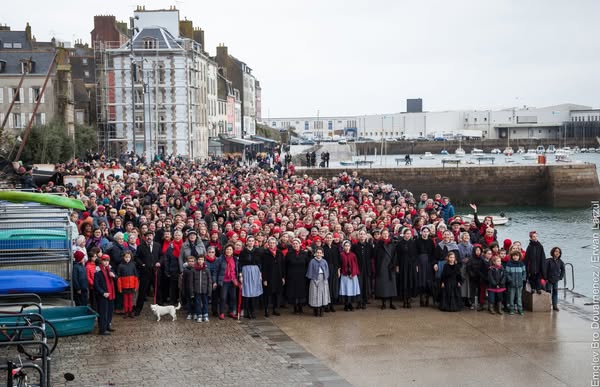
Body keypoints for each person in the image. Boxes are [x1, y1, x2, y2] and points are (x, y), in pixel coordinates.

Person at [134, 231, 161, 316]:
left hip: (155, 271)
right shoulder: (140, 246)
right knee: (142, 291)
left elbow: (162, 256)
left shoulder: (157, 245)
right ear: (144, 237)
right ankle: (138, 309)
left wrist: (159, 262)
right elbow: (136, 257)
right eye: (147, 236)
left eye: (150, 236)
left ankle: (160, 309)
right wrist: (141, 264)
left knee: (158, 290)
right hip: (145, 272)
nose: (149, 237)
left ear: (153, 236)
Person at [238, 236, 263, 319]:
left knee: (254, 292)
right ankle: (247, 311)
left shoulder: (257, 251)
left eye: (252, 241)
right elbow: (240, 263)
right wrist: (240, 274)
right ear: (247, 242)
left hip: (255, 271)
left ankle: (253, 311)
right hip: (246, 271)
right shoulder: (243, 252)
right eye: (249, 241)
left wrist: (260, 273)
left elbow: (259, 263)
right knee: (247, 291)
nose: (251, 242)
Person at [374, 229, 398, 309]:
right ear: (381, 235)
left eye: (386, 233)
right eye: (383, 234)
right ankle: (383, 303)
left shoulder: (393, 243)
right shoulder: (378, 244)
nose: (385, 235)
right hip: (382, 266)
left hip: (390, 266)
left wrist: (393, 264)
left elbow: (395, 255)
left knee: (391, 285)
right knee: (383, 286)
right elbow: (376, 256)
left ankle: (391, 303)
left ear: (388, 234)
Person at [285, 238, 310, 314]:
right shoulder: (289, 254)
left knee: (301, 292)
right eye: (294, 244)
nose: (295, 245)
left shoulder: (305, 254)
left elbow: (307, 265)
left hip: (302, 276)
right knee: (293, 292)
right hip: (292, 276)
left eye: (297, 243)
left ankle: (301, 307)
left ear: (300, 244)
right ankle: (295, 307)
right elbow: (285, 265)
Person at [261, 237, 285, 317]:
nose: (272, 244)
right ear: (268, 244)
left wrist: (283, 277)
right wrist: (264, 279)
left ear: (276, 244)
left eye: (273, 243)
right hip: (269, 276)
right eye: (270, 243)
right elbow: (263, 267)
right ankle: (266, 309)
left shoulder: (279, 253)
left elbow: (282, 266)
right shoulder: (265, 253)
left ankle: (275, 309)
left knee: (277, 293)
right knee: (268, 294)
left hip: (278, 276)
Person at [94, 254, 116, 335]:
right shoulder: (98, 271)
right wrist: (103, 293)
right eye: (104, 261)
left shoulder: (109, 269)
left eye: (107, 261)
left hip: (111, 294)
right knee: (103, 312)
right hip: (103, 295)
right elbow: (96, 285)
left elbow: (116, 278)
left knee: (110, 311)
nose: (106, 263)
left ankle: (107, 325)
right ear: (101, 261)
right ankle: (102, 329)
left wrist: (114, 276)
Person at [351, 230, 374, 309]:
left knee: (366, 285)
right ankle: (359, 301)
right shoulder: (354, 246)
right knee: (359, 285)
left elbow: (371, 256)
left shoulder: (369, 245)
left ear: (366, 236)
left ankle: (364, 301)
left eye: (363, 234)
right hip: (358, 268)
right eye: (360, 234)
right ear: (358, 236)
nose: (362, 236)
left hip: (367, 268)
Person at [396, 227, 418, 308]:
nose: (408, 235)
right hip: (402, 265)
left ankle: (409, 299)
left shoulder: (413, 243)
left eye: (410, 234)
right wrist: (397, 265)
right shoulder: (399, 243)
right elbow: (397, 256)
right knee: (404, 281)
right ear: (404, 234)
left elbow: (415, 255)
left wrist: (416, 265)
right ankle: (404, 300)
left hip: (411, 265)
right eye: (407, 234)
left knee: (410, 281)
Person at [306, 246, 331, 317]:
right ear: (315, 254)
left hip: (323, 279)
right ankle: (316, 310)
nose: (319, 254)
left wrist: (325, 278)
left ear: (322, 254)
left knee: (323, 294)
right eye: (317, 253)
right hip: (314, 279)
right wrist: (314, 280)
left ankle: (321, 310)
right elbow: (310, 271)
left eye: (320, 253)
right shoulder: (312, 261)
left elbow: (326, 270)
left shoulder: (324, 261)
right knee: (315, 294)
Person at [216, 244, 238, 320]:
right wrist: (216, 281)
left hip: (232, 280)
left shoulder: (235, 259)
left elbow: (236, 270)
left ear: (233, 251)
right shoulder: (220, 259)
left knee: (233, 297)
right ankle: (221, 312)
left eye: (230, 249)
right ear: (225, 250)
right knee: (223, 297)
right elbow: (216, 271)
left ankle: (231, 311)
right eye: (227, 249)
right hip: (224, 281)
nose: (229, 251)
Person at [415, 225, 435, 307]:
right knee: (421, 279)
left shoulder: (431, 241)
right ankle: (421, 298)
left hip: (429, 263)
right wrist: (416, 264)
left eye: (427, 232)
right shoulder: (417, 241)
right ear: (421, 232)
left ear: (429, 233)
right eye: (424, 231)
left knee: (428, 280)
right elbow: (415, 253)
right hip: (420, 262)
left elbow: (433, 253)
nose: (425, 233)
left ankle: (427, 298)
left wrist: (433, 263)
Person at [339, 240, 360, 311]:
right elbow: (340, 265)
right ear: (343, 247)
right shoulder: (341, 254)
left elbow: (356, 265)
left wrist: (353, 273)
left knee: (351, 289)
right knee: (345, 289)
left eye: (348, 246)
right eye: (345, 246)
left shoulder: (353, 255)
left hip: (352, 275)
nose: (347, 247)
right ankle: (346, 304)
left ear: (350, 247)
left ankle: (350, 304)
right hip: (344, 275)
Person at [117, 250, 139, 318]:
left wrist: (136, 286)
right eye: (126, 257)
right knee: (125, 300)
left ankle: (130, 311)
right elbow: (119, 278)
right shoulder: (120, 266)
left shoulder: (133, 264)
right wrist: (120, 287)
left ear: (131, 257)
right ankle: (126, 312)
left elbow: (136, 276)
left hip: (132, 286)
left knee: (131, 299)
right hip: (124, 286)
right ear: (123, 257)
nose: (127, 258)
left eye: (129, 257)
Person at [192, 255, 212, 322]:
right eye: (199, 259)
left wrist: (209, 290)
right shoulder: (194, 270)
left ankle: (205, 315)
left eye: (202, 259)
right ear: (197, 260)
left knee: (205, 303)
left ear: (204, 261)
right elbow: (192, 281)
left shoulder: (206, 270)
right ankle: (199, 315)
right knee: (197, 303)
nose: (200, 261)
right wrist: (192, 291)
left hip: (205, 290)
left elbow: (209, 281)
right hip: (197, 290)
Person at [544, 247, 565, 312]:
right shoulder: (548, 260)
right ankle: (547, 305)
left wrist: (560, 277)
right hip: (549, 279)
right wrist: (546, 278)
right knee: (548, 292)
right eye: (556, 251)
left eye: (558, 252)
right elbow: (545, 270)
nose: (557, 253)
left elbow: (563, 270)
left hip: (556, 279)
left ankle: (555, 305)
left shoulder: (560, 262)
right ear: (553, 252)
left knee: (555, 293)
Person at [505, 250, 526, 315]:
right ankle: (511, 309)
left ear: (519, 256)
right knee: (511, 297)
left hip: (520, 284)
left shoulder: (521, 264)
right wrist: (510, 280)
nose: (515, 257)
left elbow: (524, 272)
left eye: (516, 256)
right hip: (511, 284)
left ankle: (520, 309)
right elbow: (507, 273)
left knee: (519, 297)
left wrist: (522, 279)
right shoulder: (509, 264)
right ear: (512, 256)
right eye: (514, 256)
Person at [181, 255, 197, 320]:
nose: (191, 262)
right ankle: (189, 313)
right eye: (189, 261)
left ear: (195, 262)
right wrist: (183, 290)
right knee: (189, 302)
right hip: (188, 289)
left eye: (192, 261)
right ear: (187, 262)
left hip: (195, 289)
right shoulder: (185, 271)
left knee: (196, 302)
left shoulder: (196, 270)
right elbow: (183, 281)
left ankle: (195, 313)